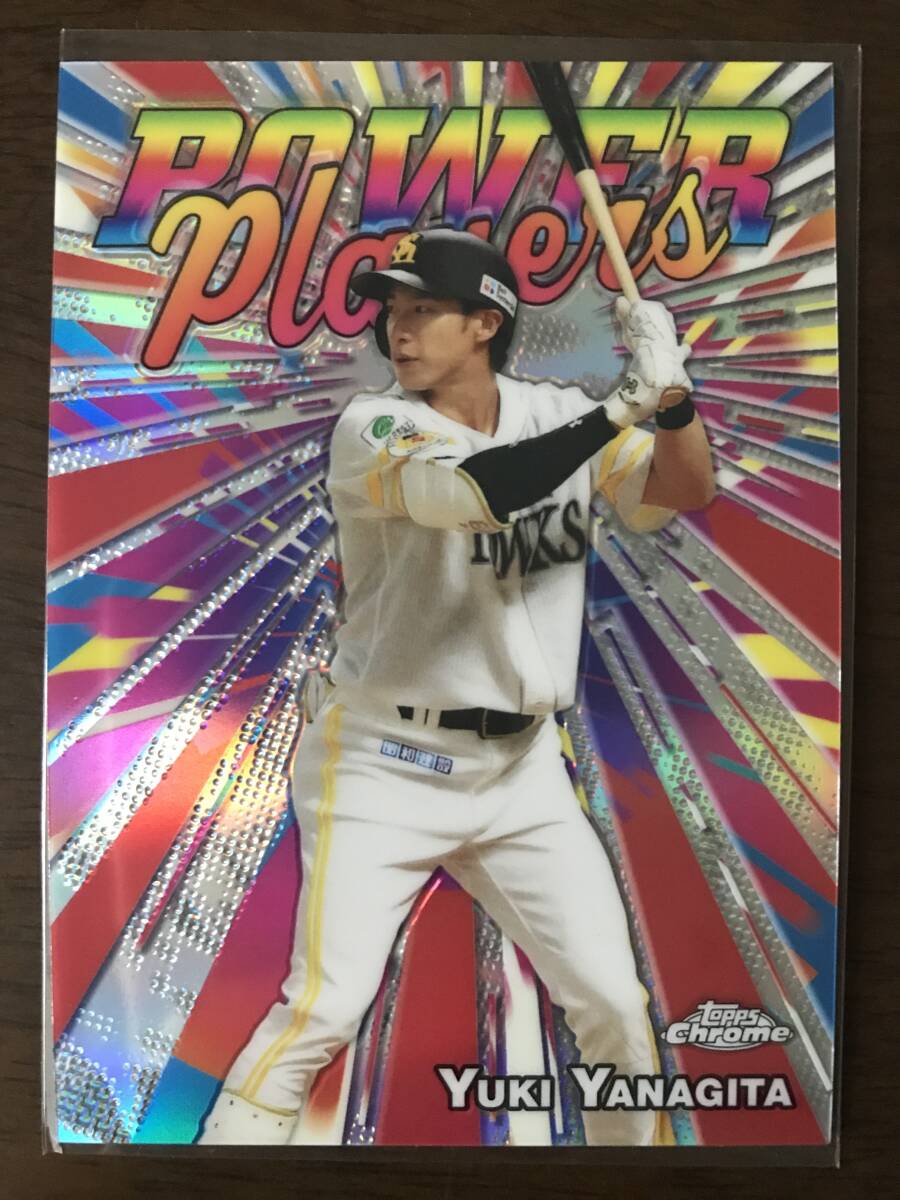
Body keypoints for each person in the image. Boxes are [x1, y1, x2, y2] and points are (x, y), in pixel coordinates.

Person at [198, 228, 715, 1146]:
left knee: (613, 1004)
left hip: (521, 771)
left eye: (423, 309)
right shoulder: (374, 426)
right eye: (391, 310)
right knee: (324, 1009)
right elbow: (477, 493)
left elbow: (684, 491)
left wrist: (673, 402)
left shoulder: (554, 411)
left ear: (486, 322)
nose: (396, 329)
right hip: (382, 765)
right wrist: (621, 409)